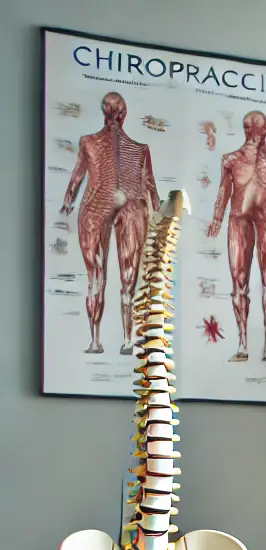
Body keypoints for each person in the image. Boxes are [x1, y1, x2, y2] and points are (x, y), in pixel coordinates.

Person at [60, 91, 158, 356]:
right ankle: (125, 339)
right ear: (124, 114)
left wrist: (67, 204)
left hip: (103, 206)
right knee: (125, 278)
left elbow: (76, 179)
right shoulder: (137, 149)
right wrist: (158, 210)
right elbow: (152, 190)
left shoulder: (92, 143)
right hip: (126, 204)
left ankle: (97, 341)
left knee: (97, 278)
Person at [207, 111, 266, 364]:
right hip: (240, 218)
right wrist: (217, 219)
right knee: (241, 282)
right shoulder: (231, 160)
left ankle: (265, 345)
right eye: (250, 128)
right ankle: (248, 343)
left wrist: (218, 219)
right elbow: (224, 190)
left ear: (262, 130)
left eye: (255, 128)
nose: (253, 132)